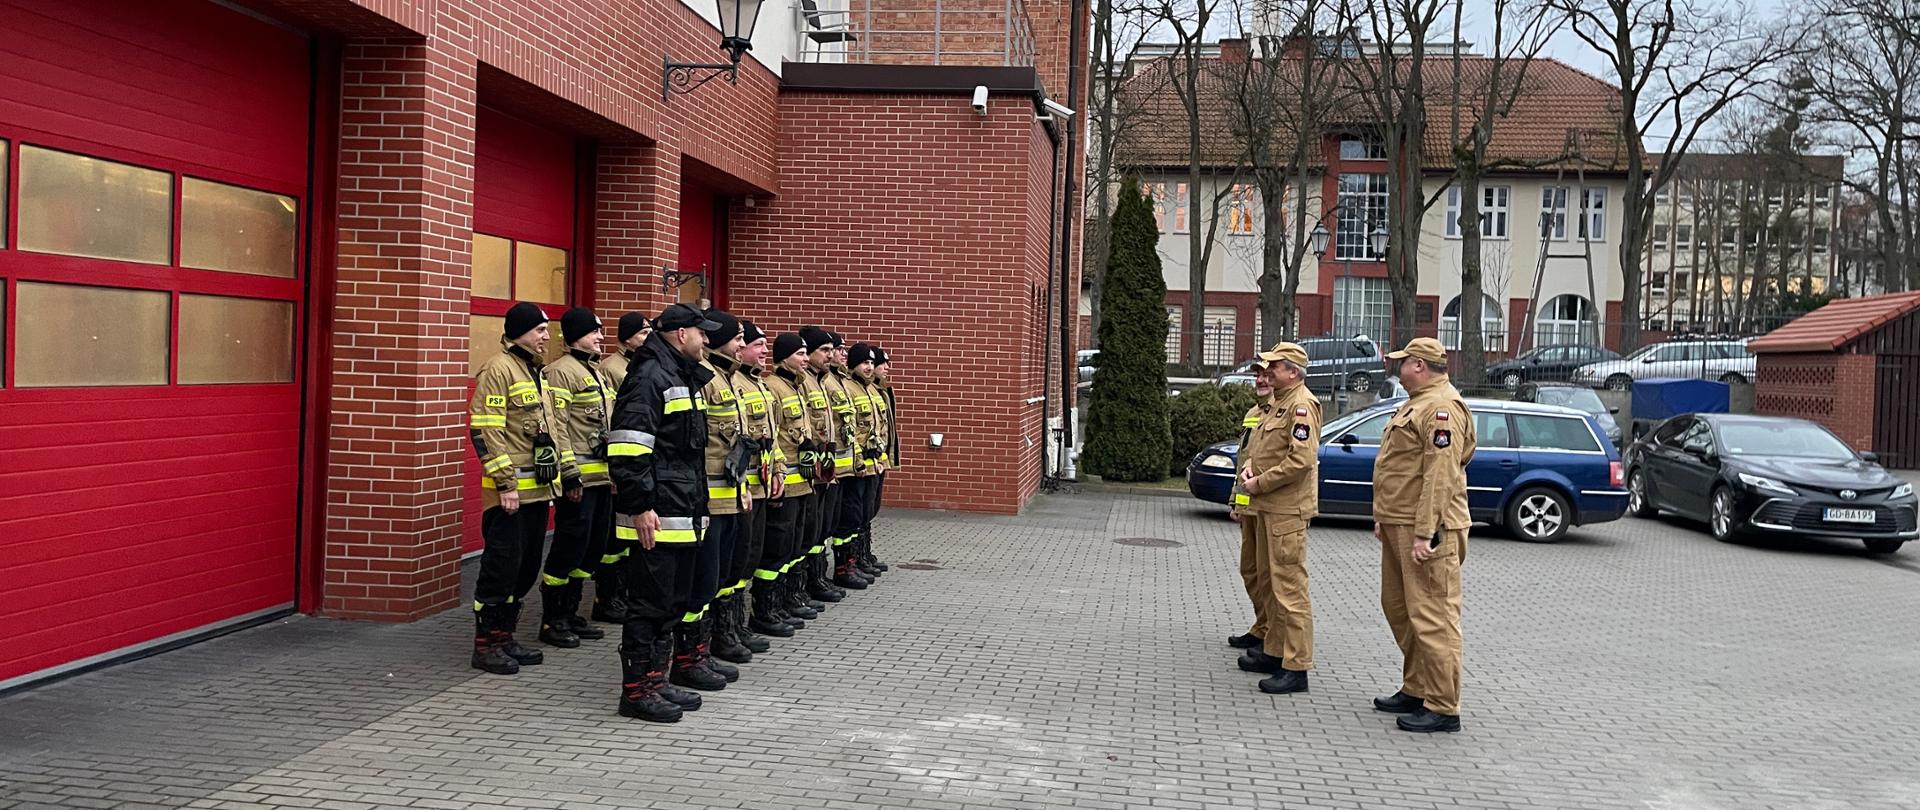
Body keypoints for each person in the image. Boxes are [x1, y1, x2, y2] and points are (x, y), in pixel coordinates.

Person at [608, 303, 718, 723]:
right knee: (649, 605)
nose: (706, 338)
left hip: (682, 510)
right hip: (657, 514)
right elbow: (628, 447)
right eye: (700, 332)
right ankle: (636, 692)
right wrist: (640, 507)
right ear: (679, 334)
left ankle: (656, 678)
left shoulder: (679, 375)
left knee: (672, 602)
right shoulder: (651, 376)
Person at [1370, 337, 1476, 733]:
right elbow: (1400, 468)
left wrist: (1426, 531)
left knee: (1433, 616)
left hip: (1429, 528)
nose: (1397, 367)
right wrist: (1385, 517)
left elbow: (1440, 475)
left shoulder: (1441, 408)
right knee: (1400, 609)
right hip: (1400, 522)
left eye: (1402, 362)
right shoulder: (1419, 402)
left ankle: (1444, 706)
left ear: (1418, 365)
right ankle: (1417, 687)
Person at [466, 302, 572, 675]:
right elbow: (486, 430)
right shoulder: (498, 369)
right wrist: (505, 483)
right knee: (501, 567)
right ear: (521, 331)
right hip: (509, 495)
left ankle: (505, 636)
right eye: (541, 330)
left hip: (538, 493)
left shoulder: (535, 371)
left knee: (525, 568)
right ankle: (486, 645)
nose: (547, 337)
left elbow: (551, 431)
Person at [668, 309, 749, 692]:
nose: (743, 345)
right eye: (738, 339)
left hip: (728, 497)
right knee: (700, 582)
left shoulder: (728, 378)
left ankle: (703, 649)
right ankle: (688, 659)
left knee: (718, 577)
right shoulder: (707, 380)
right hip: (706, 502)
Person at [1232, 343, 1320, 696]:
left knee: (1290, 591)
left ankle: (1296, 667)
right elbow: (1261, 450)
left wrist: (1260, 482)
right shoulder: (1278, 404)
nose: (1267, 373)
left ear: (1293, 371)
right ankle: (1274, 651)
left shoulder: (1300, 405)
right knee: (1270, 583)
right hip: (1268, 507)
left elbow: (1301, 461)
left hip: (1285, 509)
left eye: (1275, 367)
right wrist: (1252, 474)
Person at [537, 307, 617, 649]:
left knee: (592, 549)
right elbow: (560, 429)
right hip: (580, 482)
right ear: (575, 336)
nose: (601, 337)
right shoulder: (559, 373)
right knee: (569, 548)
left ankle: (570, 613)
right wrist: (569, 476)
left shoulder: (596, 372)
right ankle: (553, 619)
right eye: (594, 332)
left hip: (602, 480)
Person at [707, 318, 780, 666]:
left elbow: (766, 436)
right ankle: (719, 634)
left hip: (746, 489)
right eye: (745, 340)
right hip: (720, 494)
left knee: (744, 558)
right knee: (720, 567)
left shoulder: (748, 382)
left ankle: (732, 625)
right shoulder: (717, 379)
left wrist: (773, 469)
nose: (761, 350)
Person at [756, 332, 820, 639]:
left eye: (807, 354)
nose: (805, 359)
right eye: (800, 354)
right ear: (783, 358)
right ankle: (765, 610)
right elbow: (775, 437)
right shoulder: (774, 387)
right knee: (777, 547)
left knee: (794, 545)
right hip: (785, 485)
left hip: (803, 483)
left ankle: (784, 600)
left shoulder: (796, 386)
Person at [593, 312, 651, 626]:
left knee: (628, 542)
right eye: (643, 333)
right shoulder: (612, 369)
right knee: (613, 541)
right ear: (627, 337)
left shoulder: (641, 365)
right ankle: (607, 595)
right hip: (616, 467)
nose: (648, 338)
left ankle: (622, 592)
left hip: (628, 469)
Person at [794, 327, 848, 607]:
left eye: (831, 350)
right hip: (808, 472)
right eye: (824, 351)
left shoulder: (821, 381)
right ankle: (804, 585)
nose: (831, 355)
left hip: (825, 470)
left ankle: (814, 579)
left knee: (821, 528)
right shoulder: (802, 382)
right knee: (806, 533)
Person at [1228, 356, 1276, 653]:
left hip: (1271, 506)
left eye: (1267, 376)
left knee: (1270, 575)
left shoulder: (1284, 414)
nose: (1261, 381)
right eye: (1258, 375)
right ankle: (1261, 626)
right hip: (1251, 506)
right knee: (1251, 570)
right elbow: (1245, 462)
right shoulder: (1254, 412)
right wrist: (1237, 501)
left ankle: (1271, 632)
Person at [826, 332, 877, 590]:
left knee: (855, 516)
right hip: (837, 468)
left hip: (855, 465)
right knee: (840, 520)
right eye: (839, 349)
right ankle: (841, 570)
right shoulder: (834, 383)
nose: (841, 354)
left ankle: (852, 562)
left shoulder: (847, 383)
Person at [847, 343, 890, 575]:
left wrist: (882, 458)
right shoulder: (850, 389)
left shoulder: (872, 390)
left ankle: (862, 555)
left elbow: (880, 430)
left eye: (872, 363)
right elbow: (850, 429)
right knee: (853, 515)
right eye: (865, 362)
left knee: (866, 512)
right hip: (859, 466)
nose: (870, 367)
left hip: (874, 463)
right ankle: (850, 562)